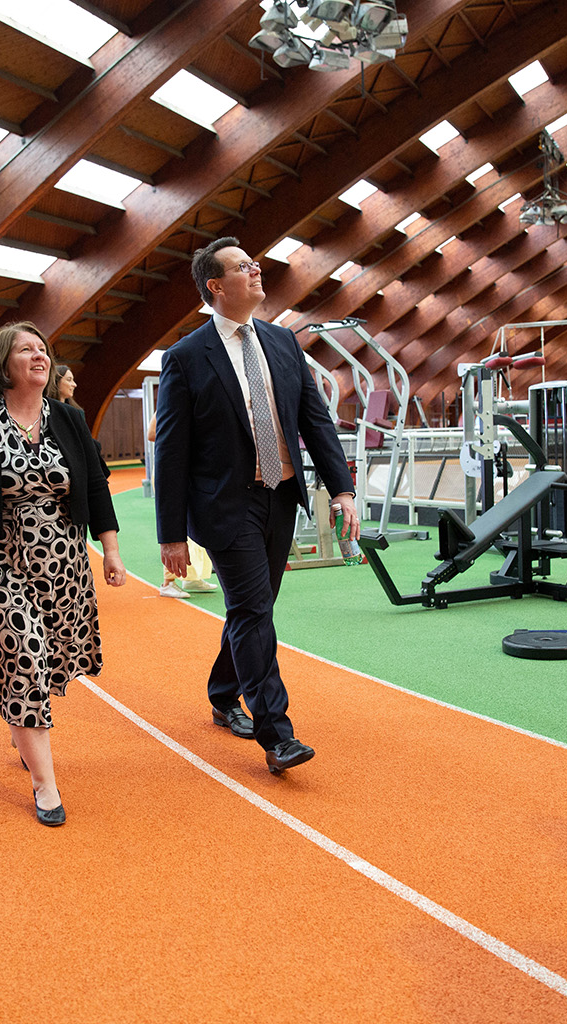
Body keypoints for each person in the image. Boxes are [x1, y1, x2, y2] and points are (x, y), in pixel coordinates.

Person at [154, 237, 359, 774]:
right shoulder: (184, 358)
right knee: (251, 609)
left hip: (281, 495)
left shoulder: (284, 343)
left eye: (255, 264)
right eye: (243, 267)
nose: (256, 270)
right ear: (215, 287)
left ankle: (224, 692)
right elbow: (171, 450)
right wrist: (170, 534)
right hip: (226, 505)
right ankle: (276, 734)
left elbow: (315, 420)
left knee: (255, 607)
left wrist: (342, 490)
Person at [0, 322, 127, 826]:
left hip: (63, 563)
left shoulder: (68, 419)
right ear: (4, 364)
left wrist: (109, 550)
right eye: (26, 350)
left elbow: (96, 487)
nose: (39, 356)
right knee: (24, 653)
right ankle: (45, 784)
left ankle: (20, 725)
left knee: (46, 663)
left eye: (42, 349)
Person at [147, 414, 217, 598]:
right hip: (174, 470)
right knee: (177, 524)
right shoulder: (171, 402)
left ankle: (192, 577)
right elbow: (151, 433)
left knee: (198, 524)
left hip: (196, 470)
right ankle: (167, 582)